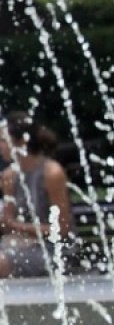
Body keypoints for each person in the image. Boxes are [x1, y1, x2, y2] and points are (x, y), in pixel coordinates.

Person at [0, 112, 73, 278]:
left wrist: (17, 227)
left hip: (53, 248)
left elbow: (61, 230)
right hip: (16, 245)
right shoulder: (9, 176)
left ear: (22, 141)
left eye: (3, 141)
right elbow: (7, 222)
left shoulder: (52, 173)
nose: (0, 146)